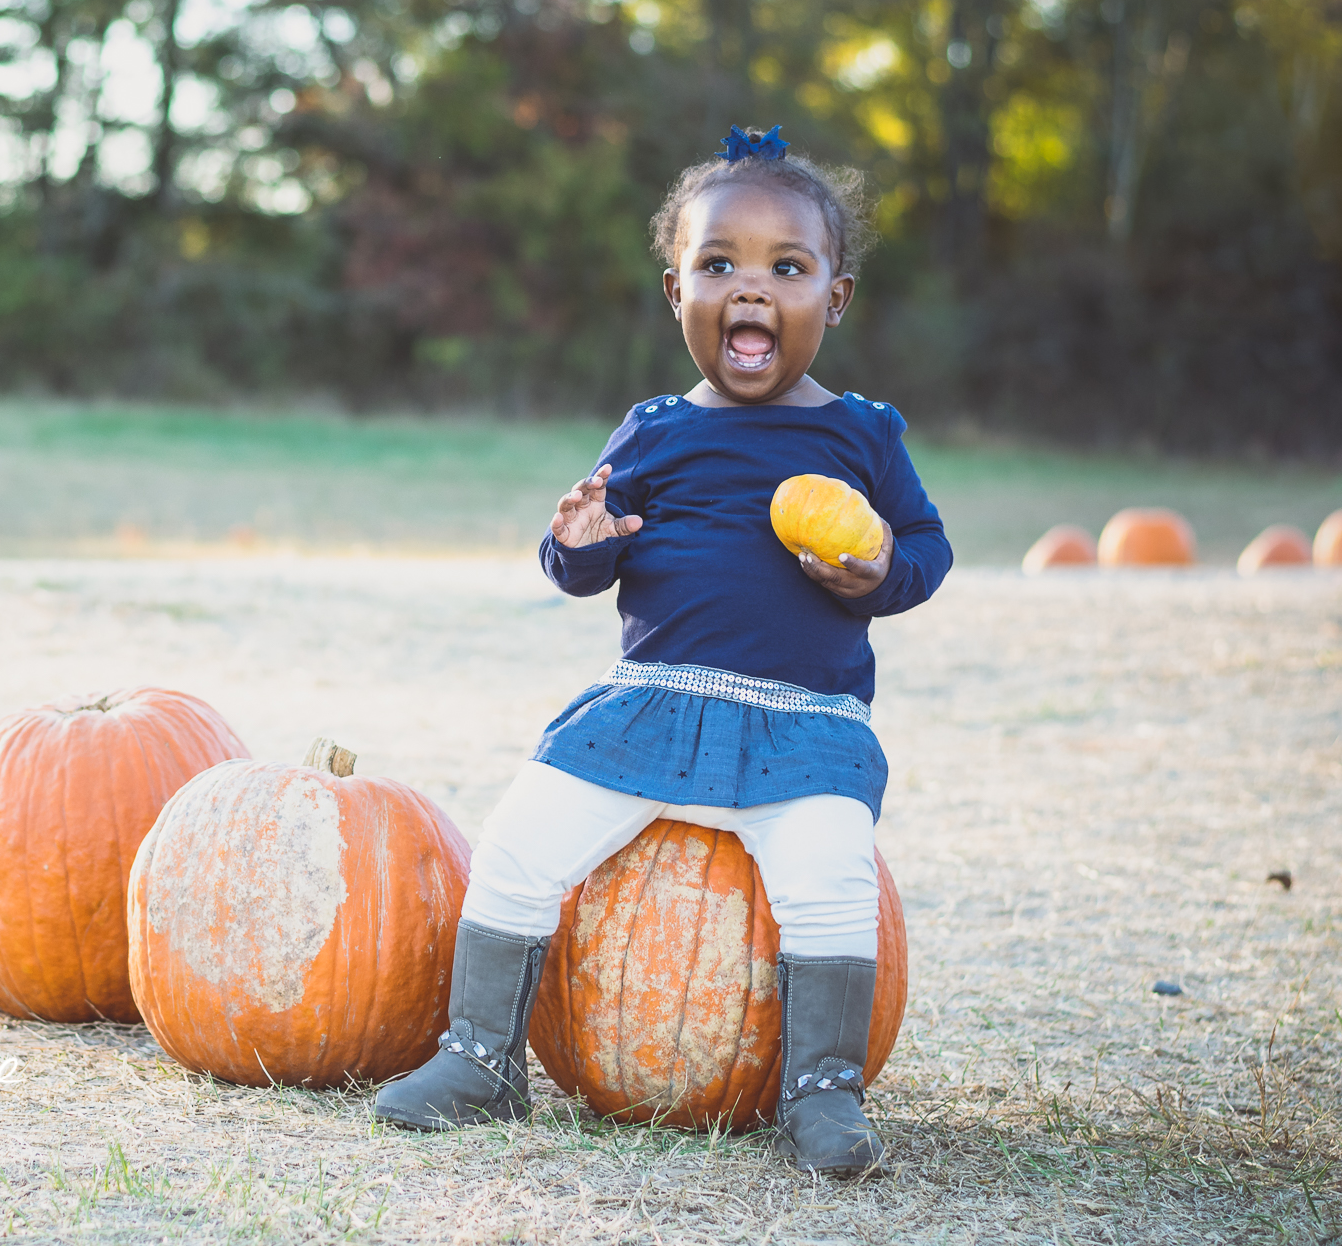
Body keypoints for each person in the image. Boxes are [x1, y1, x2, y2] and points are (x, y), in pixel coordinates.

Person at [373, 126, 951, 1177]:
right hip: (651, 706)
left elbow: (923, 550)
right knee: (514, 848)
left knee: (829, 883)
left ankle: (820, 1092)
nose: (748, 288)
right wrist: (575, 543)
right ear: (674, 290)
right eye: (717, 264)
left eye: (786, 267)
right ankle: (478, 1059)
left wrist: (877, 577)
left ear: (835, 298)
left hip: (801, 725)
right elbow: (585, 558)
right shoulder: (652, 432)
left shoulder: (862, 436)